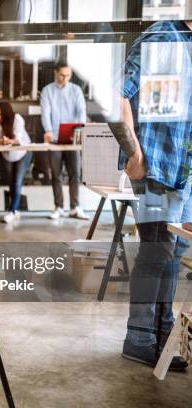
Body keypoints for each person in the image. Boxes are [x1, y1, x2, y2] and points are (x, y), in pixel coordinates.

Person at [120, 19, 191, 371]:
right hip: (156, 167)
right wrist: (134, 153)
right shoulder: (164, 34)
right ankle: (139, 339)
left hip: (184, 170)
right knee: (155, 252)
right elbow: (118, 94)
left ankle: (164, 338)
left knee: (175, 252)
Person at [40, 62, 89, 220]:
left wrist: (80, 129)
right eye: (62, 75)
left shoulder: (76, 90)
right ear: (56, 73)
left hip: (72, 138)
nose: (65, 78)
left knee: (75, 173)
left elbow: (81, 111)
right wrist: (47, 130)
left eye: (68, 75)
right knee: (56, 174)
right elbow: (45, 111)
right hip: (54, 138)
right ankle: (59, 207)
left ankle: (75, 207)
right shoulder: (48, 90)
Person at [0, 102, 32, 223]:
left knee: (17, 181)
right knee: (10, 181)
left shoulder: (17, 119)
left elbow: (18, 139)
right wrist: (1, 140)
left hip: (23, 152)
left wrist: (8, 140)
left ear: (6, 115)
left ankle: (12, 210)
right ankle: (15, 209)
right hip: (7, 154)